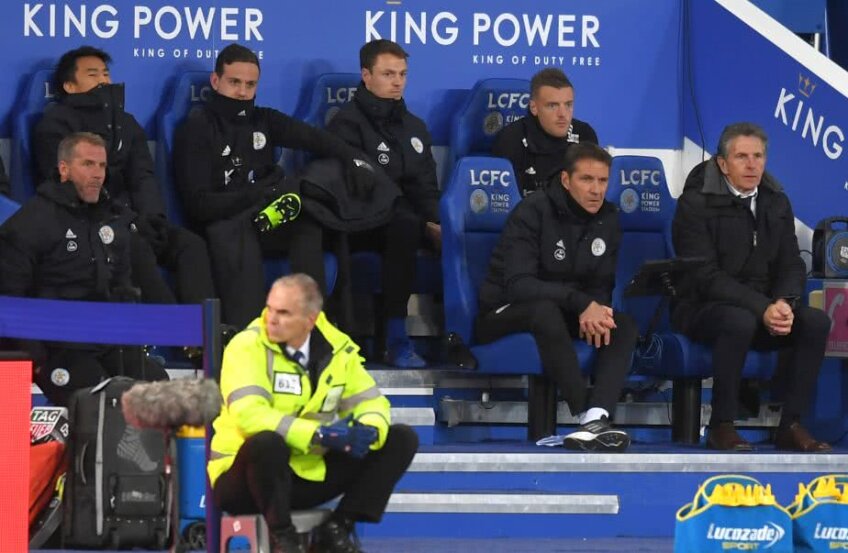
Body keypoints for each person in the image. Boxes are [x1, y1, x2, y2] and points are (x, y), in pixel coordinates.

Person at [209, 273, 418, 553]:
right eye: (270, 308)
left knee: (399, 439)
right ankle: (283, 538)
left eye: (283, 313)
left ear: (310, 319)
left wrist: (368, 431)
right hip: (244, 480)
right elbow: (249, 415)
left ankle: (337, 529)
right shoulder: (247, 345)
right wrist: (319, 434)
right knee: (266, 442)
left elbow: (372, 402)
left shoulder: (338, 349)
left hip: (306, 474)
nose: (271, 318)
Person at [174, 44, 375, 329]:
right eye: (234, 82)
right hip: (224, 220)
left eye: (250, 84)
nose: (243, 92)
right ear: (215, 81)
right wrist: (258, 193)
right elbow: (199, 205)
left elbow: (315, 139)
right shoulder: (196, 128)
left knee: (306, 223)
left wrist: (354, 158)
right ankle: (248, 334)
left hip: (263, 216)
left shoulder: (264, 119)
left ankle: (311, 328)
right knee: (235, 231)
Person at [672, 122, 831, 452]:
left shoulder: (776, 203)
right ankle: (722, 425)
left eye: (758, 156)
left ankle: (791, 425)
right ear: (722, 163)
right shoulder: (694, 205)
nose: (752, 164)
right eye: (741, 156)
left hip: (763, 308)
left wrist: (785, 302)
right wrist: (763, 307)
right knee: (738, 320)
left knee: (816, 321)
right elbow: (705, 276)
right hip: (702, 308)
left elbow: (791, 263)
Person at [476, 143, 637, 451]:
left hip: (564, 310)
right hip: (502, 312)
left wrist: (597, 311)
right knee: (544, 311)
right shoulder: (533, 210)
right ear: (566, 180)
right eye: (586, 180)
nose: (596, 190)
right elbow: (518, 284)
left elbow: (602, 283)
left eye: (602, 181)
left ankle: (597, 414)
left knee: (622, 324)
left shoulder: (609, 218)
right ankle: (582, 414)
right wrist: (581, 304)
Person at [33, 46, 215, 306]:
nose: (103, 81)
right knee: (134, 247)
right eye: (93, 74)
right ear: (70, 86)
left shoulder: (126, 122)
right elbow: (69, 189)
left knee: (190, 245)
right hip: (87, 225)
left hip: (136, 220)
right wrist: (129, 222)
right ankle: (175, 333)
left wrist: (153, 219)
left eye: (105, 74)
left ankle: (205, 335)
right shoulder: (55, 125)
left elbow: (143, 176)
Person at [0, 132, 168, 406]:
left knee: (157, 385)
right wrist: (37, 361)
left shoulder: (112, 220)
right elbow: (9, 297)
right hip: (57, 347)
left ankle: (146, 450)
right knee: (99, 400)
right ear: (64, 169)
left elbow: (122, 287)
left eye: (102, 166)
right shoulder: (31, 223)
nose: (98, 174)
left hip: (107, 342)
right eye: (88, 164)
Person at [326, 39, 440, 367]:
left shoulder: (415, 127)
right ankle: (395, 340)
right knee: (403, 225)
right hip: (358, 224)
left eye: (402, 74)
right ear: (366, 75)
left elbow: (426, 189)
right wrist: (421, 224)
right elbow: (360, 191)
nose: (397, 81)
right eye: (388, 74)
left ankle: (460, 341)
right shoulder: (346, 124)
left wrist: (437, 225)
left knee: (456, 235)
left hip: (407, 222)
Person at [492, 68, 598, 198]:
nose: (562, 114)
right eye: (552, 106)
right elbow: (508, 203)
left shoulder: (585, 135)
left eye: (568, 105)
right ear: (534, 107)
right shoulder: (511, 140)